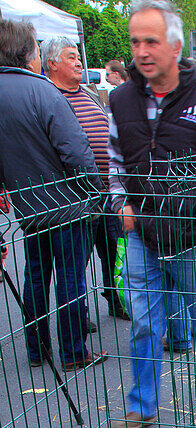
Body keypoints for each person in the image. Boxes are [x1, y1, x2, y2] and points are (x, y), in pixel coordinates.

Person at [107, 0, 196, 428]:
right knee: (145, 323)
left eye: (152, 41)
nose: (142, 51)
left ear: (175, 45)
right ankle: (143, 404)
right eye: (135, 41)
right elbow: (113, 164)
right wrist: (120, 204)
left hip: (192, 235)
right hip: (142, 233)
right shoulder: (121, 100)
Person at [0, 18, 101, 371]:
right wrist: (94, 190)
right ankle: (73, 351)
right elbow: (77, 151)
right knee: (71, 279)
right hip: (66, 205)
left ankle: (36, 348)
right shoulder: (44, 91)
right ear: (30, 54)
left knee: (36, 277)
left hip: (29, 209)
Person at [43, 35, 128, 321]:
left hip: (106, 189)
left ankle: (116, 298)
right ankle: (78, 315)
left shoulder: (89, 94)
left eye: (78, 56)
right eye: (71, 57)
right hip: (78, 194)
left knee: (112, 249)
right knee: (77, 262)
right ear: (52, 63)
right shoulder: (51, 97)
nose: (79, 62)